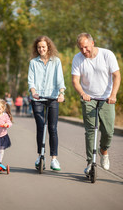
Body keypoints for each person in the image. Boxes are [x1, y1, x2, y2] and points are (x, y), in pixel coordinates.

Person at [71, 33, 121, 175]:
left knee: (108, 132)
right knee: (90, 131)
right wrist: (82, 94)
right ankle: (89, 163)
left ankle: (103, 151)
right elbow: (75, 81)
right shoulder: (77, 58)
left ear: (93, 43)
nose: (84, 51)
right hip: (88, 99)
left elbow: (117, 75)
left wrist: (113, 95)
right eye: (81, 48)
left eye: (86, 47)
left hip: (106, 99)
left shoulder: (107, 55)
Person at [28, 35, 66, 171]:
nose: (41, 49)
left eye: (43, 46)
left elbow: (60, 79)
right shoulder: (33, 63)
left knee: (52, 128)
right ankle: (40, 155)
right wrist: (33, 92)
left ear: (48, 47)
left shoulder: (56, 61)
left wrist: (61, 93)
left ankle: (54, 159)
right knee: (40, 127)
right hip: (37, 98)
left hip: (53, 98)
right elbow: (31, 81)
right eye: (39, 47)